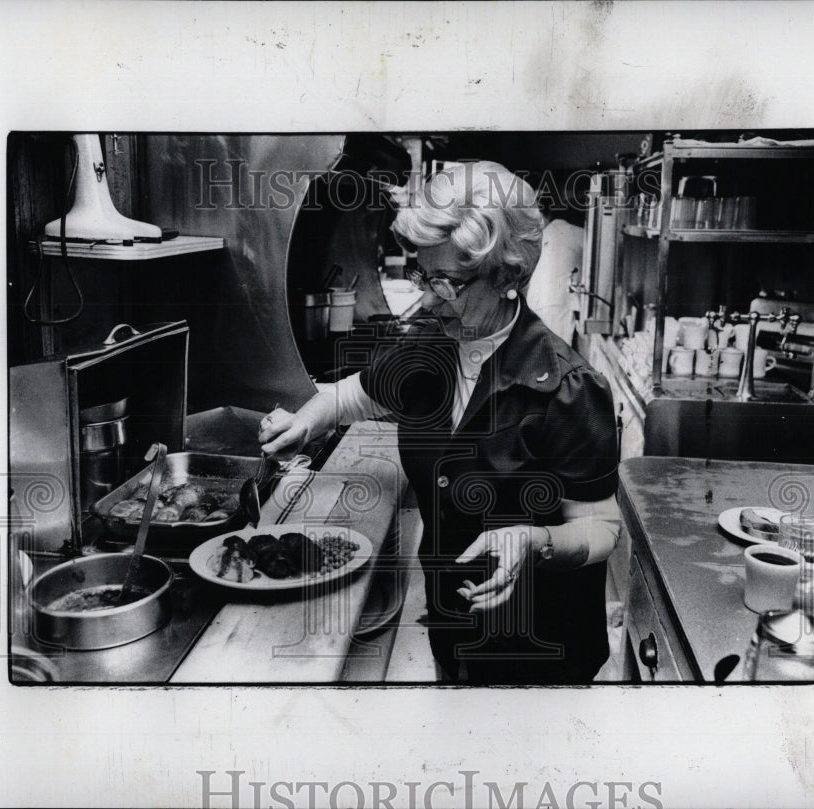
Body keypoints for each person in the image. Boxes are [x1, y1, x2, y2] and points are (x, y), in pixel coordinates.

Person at [259, 161, 621, 684]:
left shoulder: (567, 387)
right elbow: (347, 398)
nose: (426, 298)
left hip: (542, 649)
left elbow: (601, 527)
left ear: (506, 276)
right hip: (454, 623)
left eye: (446, 282)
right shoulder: (429, 348)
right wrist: (302, 423)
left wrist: (532, 540)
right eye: (420, 275)